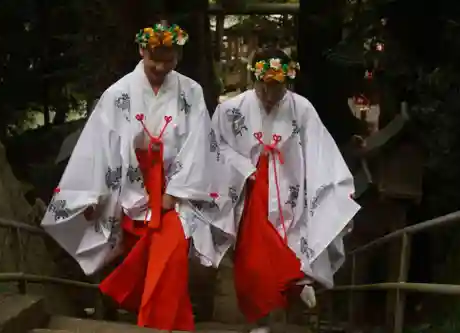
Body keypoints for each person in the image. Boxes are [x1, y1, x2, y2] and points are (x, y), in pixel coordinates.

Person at [41, 21, 224, 332]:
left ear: (178, 56)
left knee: (171, 252)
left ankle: (154, 322)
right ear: (141, 50)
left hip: (172, 192)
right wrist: (91, 194)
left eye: (169, 59)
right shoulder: (118, 93)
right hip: (128, 191)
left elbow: (198, 146)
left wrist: (174, 192)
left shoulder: (191, 92)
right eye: (155, 58)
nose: (161, 66)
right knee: (139, 260)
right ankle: (155, 318)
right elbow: (98, 145)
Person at [211, 48, 361, 333]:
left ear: (287, 82)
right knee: (253, 257)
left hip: (289, 186)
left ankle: (290, 292)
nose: (270, 93)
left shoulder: (301, 108)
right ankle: (264, 313)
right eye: (264, 85)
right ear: (253, 78)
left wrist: (336, 186)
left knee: (288, 246)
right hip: (250, 185)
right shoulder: (232, 109)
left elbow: (320, 149)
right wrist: (245, 167)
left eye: (277, 87)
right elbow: (215, 147)